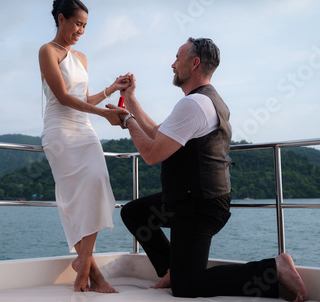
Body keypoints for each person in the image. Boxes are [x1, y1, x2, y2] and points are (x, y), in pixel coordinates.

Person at [109, 38, 308, 301]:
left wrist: (127, 120)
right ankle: (171, 268)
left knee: (187, 287)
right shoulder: (205, 101)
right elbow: (159, 134)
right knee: (135, 213)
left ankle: (273, 269)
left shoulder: (193, 104)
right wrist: (130, 100)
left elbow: (151, 153)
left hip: (199, 207)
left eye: (177, 58)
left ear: (194, 63)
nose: (172, 64)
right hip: (189, 200)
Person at [38, 0, 129, 293]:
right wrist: (105, 115)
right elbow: (64, 97)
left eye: (85, 26)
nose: (81, 31)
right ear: (61, 19)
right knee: (71, 199)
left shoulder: (83, 58)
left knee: (97, 184)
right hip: (59, 130)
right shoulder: (47, 51)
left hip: (84, 129)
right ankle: (94, 273)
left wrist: (111, 89)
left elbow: (84, 99)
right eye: (77, 23)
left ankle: (84, 263)